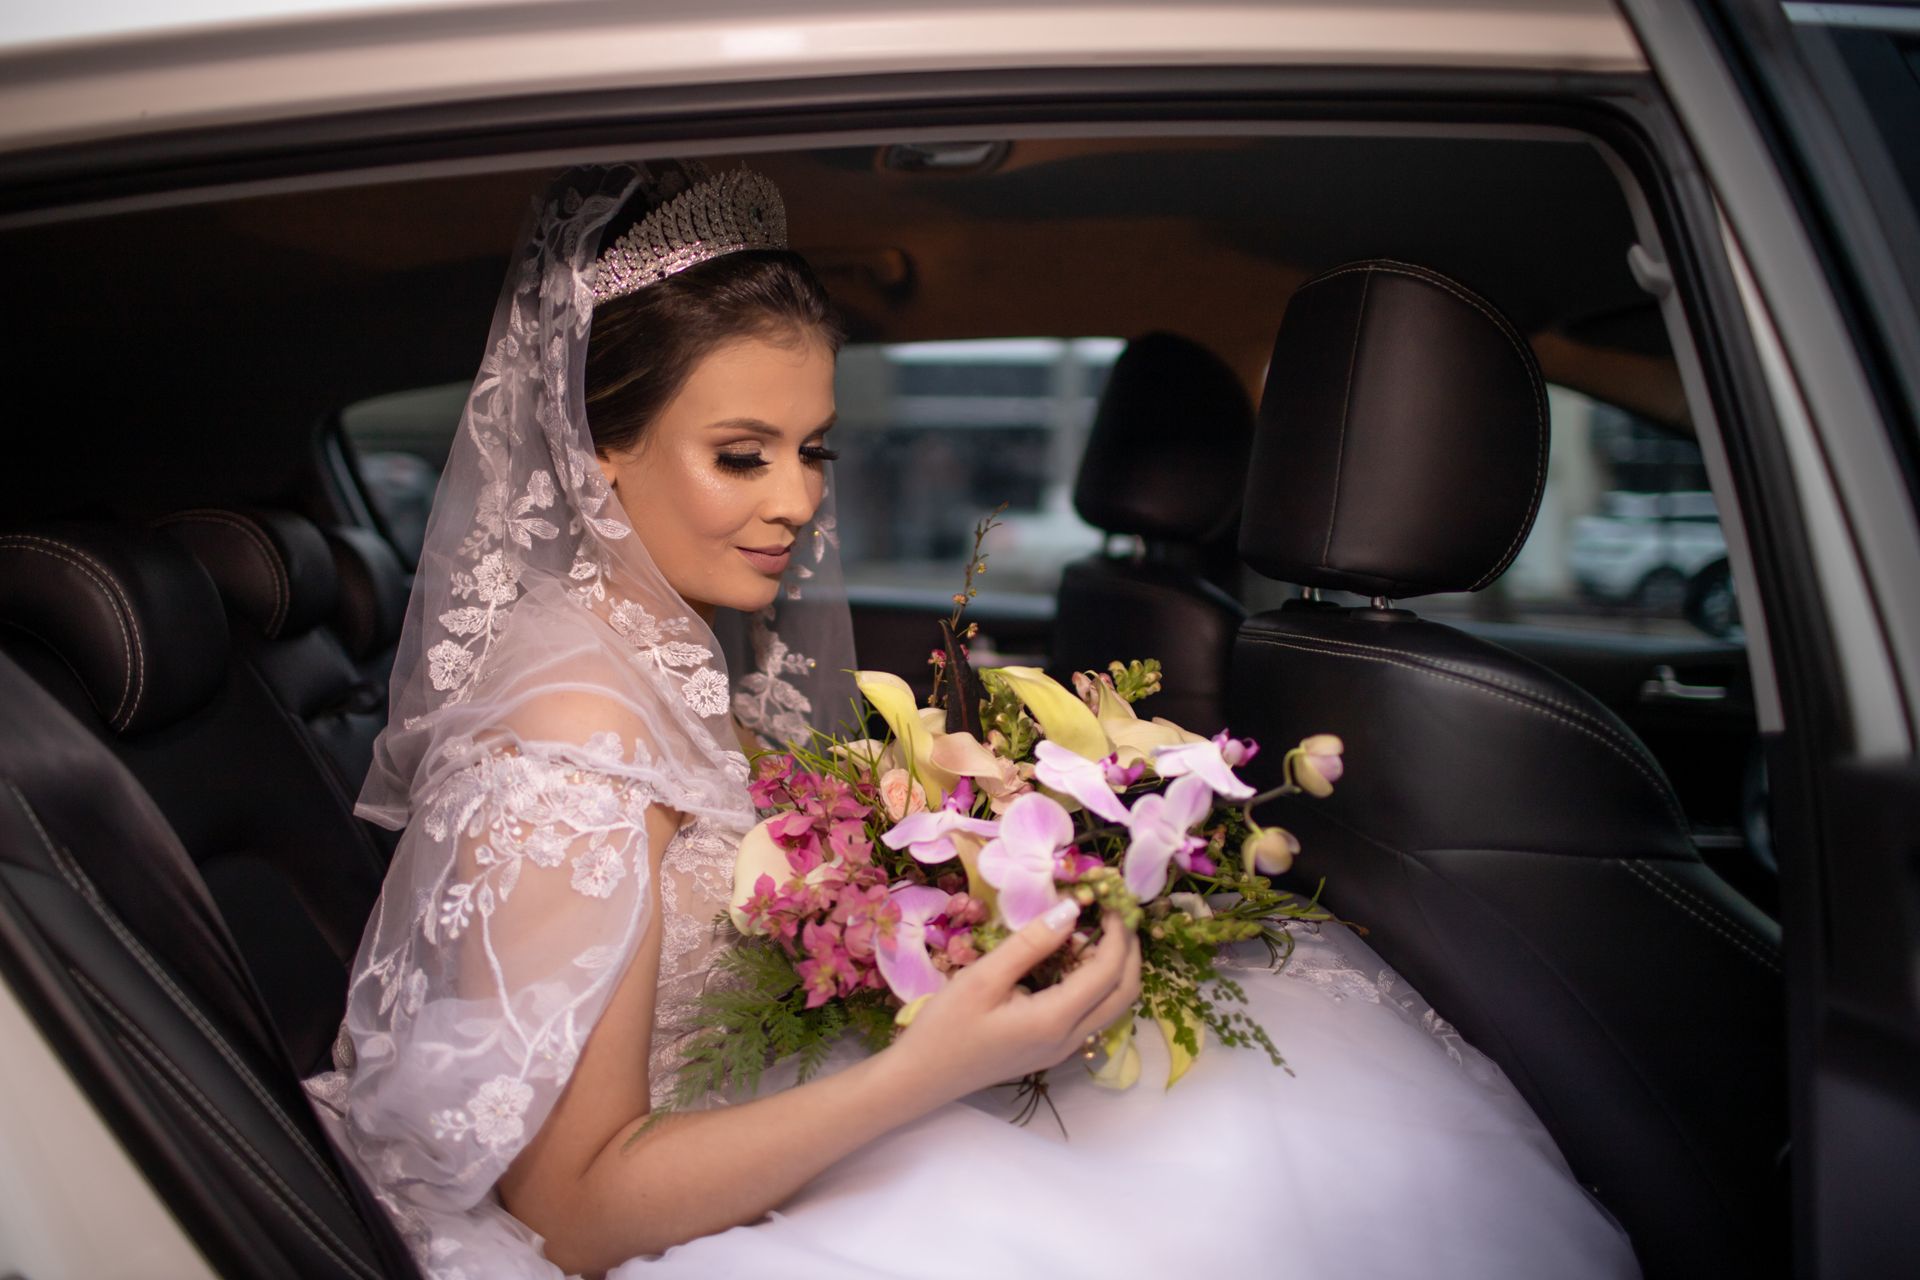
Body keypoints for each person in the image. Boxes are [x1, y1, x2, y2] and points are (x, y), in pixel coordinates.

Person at [307, 163, 1640, 1280]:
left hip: (754, 1108)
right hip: (653, 1207)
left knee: (1258, 1104)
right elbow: (568, 1211)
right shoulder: (569, 743)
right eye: (742, 452)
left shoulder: (654, 652)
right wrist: (921, 1072)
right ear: (598, 450)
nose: (796, 502)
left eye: (814, 449)